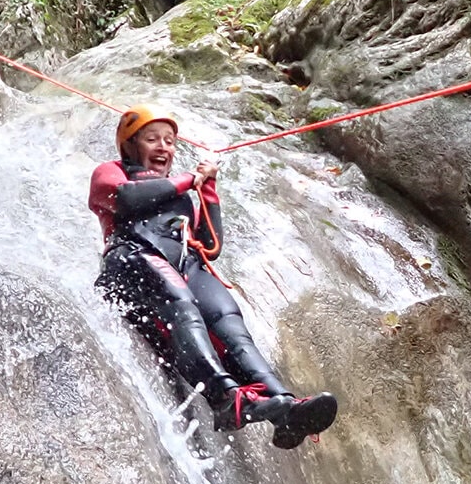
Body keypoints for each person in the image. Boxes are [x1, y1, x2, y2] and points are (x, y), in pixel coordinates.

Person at [90, 105, 338, 448]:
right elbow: (128, 199)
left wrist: (208, 190)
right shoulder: (111, 172)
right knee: (181, 302)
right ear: (131, 146)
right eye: (152, 139)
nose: (164, 147)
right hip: (131, 259)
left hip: (182, 265)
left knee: (228, 320)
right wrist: (190, 181)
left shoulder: (177, 195)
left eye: (170, 141)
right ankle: (226, 399)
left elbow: (209, 244)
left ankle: (284, 406)